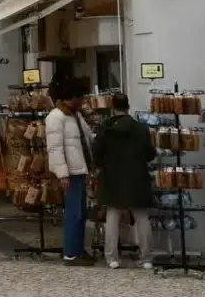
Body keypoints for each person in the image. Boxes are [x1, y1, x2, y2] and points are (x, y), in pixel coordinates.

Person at [92, 93, 154, 269]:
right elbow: (149, 154)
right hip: (137, 175)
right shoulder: (141, 128)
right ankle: (146, 258)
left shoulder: (105, 129)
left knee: (112, 215)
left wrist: (103, 165)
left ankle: (112, 257)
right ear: (128, 106)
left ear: (113, 107)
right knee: (141, 216)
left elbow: (96, 153)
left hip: (112, 176)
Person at [46, 77, 95, 265]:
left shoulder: (76, 116)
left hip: (80, 170)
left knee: (80, 212)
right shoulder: (55, 118)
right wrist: (62, 174)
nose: (82, 101)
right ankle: (71, 253)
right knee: (73, 212)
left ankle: (78, 249)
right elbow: (55, 148)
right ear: (70, 98)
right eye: (80, 98)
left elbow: (88, 137)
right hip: (71, 173)